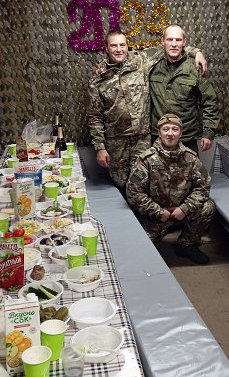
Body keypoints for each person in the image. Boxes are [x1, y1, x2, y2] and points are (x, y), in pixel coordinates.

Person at [86, 30, 207, 190]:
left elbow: (169, 46)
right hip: (116, 143)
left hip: (142, 140)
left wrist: (196, 52)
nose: (119, 49)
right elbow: (94, 116)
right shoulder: (98, 79)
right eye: (114, 46)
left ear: (127, 46)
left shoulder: (141, 61)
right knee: (121, 186)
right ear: (106, 48)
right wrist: (100, 148)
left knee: (142, 184)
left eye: (122, 45)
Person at [126, 113, 215, 265]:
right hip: (154, 216)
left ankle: (187, 245)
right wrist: (158, 212)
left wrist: (185, 208)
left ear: (181, 133)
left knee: (208, 207)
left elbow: (203, 186)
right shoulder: (146, 160)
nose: (170, 133)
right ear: (159, 132)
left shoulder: (191, 158)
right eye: (165, 129)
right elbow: (134, 192)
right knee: (138, 254)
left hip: (181, 212)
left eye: (175, 129)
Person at [149, 24, 220, 154]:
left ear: (184, 42)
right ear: (163, 41)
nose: (174, 44)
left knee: (191, 168)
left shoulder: (195, 68)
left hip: (186, 137)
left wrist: (208, 132)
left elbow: (210, 101)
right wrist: (196, 51)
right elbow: (124, 54)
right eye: (169, 39)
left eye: (178, 40)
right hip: (158, 137)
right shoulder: (151, 64)